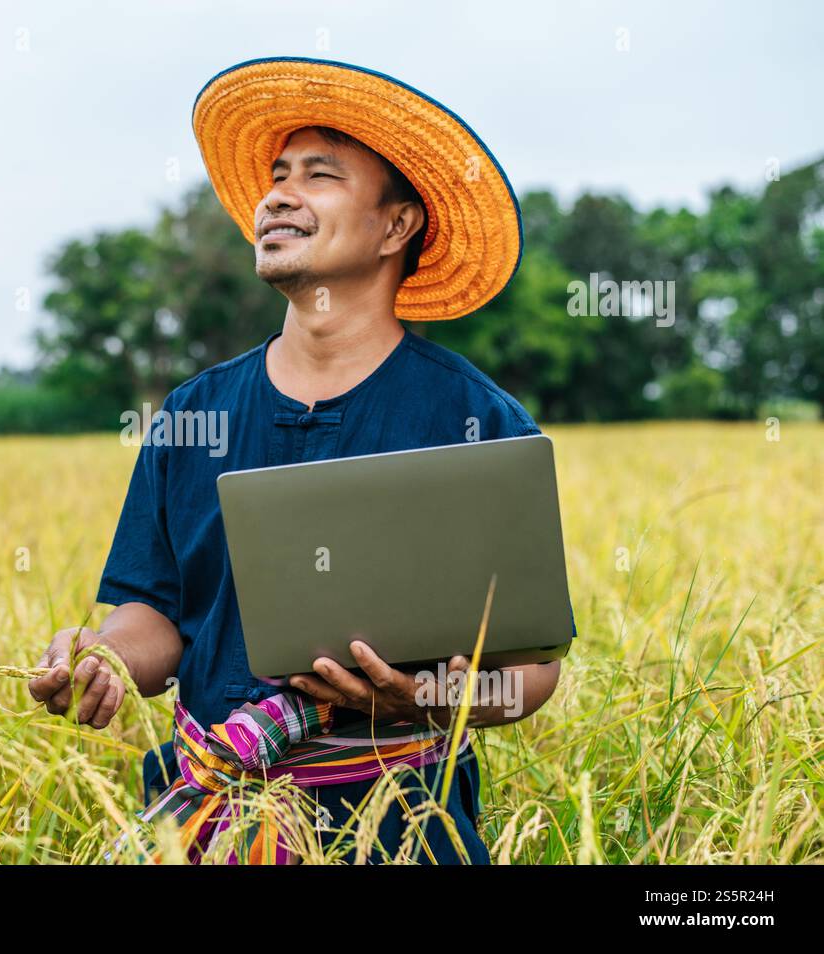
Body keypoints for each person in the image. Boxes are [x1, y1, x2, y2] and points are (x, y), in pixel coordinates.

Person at [29, 57, 573, 864]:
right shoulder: (192, 414)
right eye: (278, 175)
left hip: (403, 823)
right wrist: (106, 657)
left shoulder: (478, 420)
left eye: (320, 176)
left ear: (397, 227)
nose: (278, 194)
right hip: (208, 812)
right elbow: (157, 614)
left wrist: (420, 697)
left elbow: (529, 675)